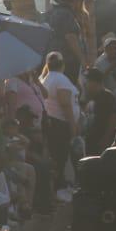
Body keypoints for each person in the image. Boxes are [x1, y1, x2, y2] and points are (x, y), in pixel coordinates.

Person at [39, 51, 78, 192]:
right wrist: (73, 126)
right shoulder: (61, 79)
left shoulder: (46, 78)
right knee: (60, 158)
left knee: (57, 158)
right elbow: (65, 103)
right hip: (60, 124)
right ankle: (58, 188)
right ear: (63, 65)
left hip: (53, 123)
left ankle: (57, 188)